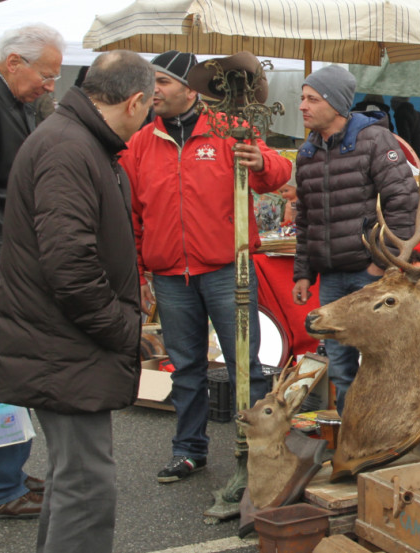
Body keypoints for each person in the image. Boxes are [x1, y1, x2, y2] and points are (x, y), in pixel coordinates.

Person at [0, 50, 154, 552]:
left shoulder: (77, 140)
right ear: (135, 101)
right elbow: (71, 268)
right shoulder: (69, 147)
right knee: (86, 486)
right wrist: (124, 332)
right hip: (63, 346)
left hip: (59, 344)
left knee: (73, 481)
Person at [120, 50, 292, 483]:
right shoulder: (141, 143)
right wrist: (140, 273)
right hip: (170, 275)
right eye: (150, 82)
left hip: (225, 271)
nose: (153, 91)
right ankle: (189, 450)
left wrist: (261, 160)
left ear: (189, 87)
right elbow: (133, 216)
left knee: (245, 367)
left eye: (161, 81)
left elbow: (276, 176)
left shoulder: (229, 130)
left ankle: (257, 453)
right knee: (187, 368)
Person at [0, 23, 65, 521]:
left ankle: (5, 472)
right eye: (45, 76)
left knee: (1, 372)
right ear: (12, 64)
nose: (49, 86)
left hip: (1, 260)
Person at [293, 65, 419, 415]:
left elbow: (403, 201)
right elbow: (305, 218)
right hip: (332, 277)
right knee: (341, 367)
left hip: (369, 275)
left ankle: (385, 435)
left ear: (335, 105)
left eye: (312, 99)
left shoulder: (375, 140)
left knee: (380, 362)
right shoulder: (307, 153)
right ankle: (352, 439)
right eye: (302, 97)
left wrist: (381, 263)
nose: (302, 106)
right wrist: (303, 271)